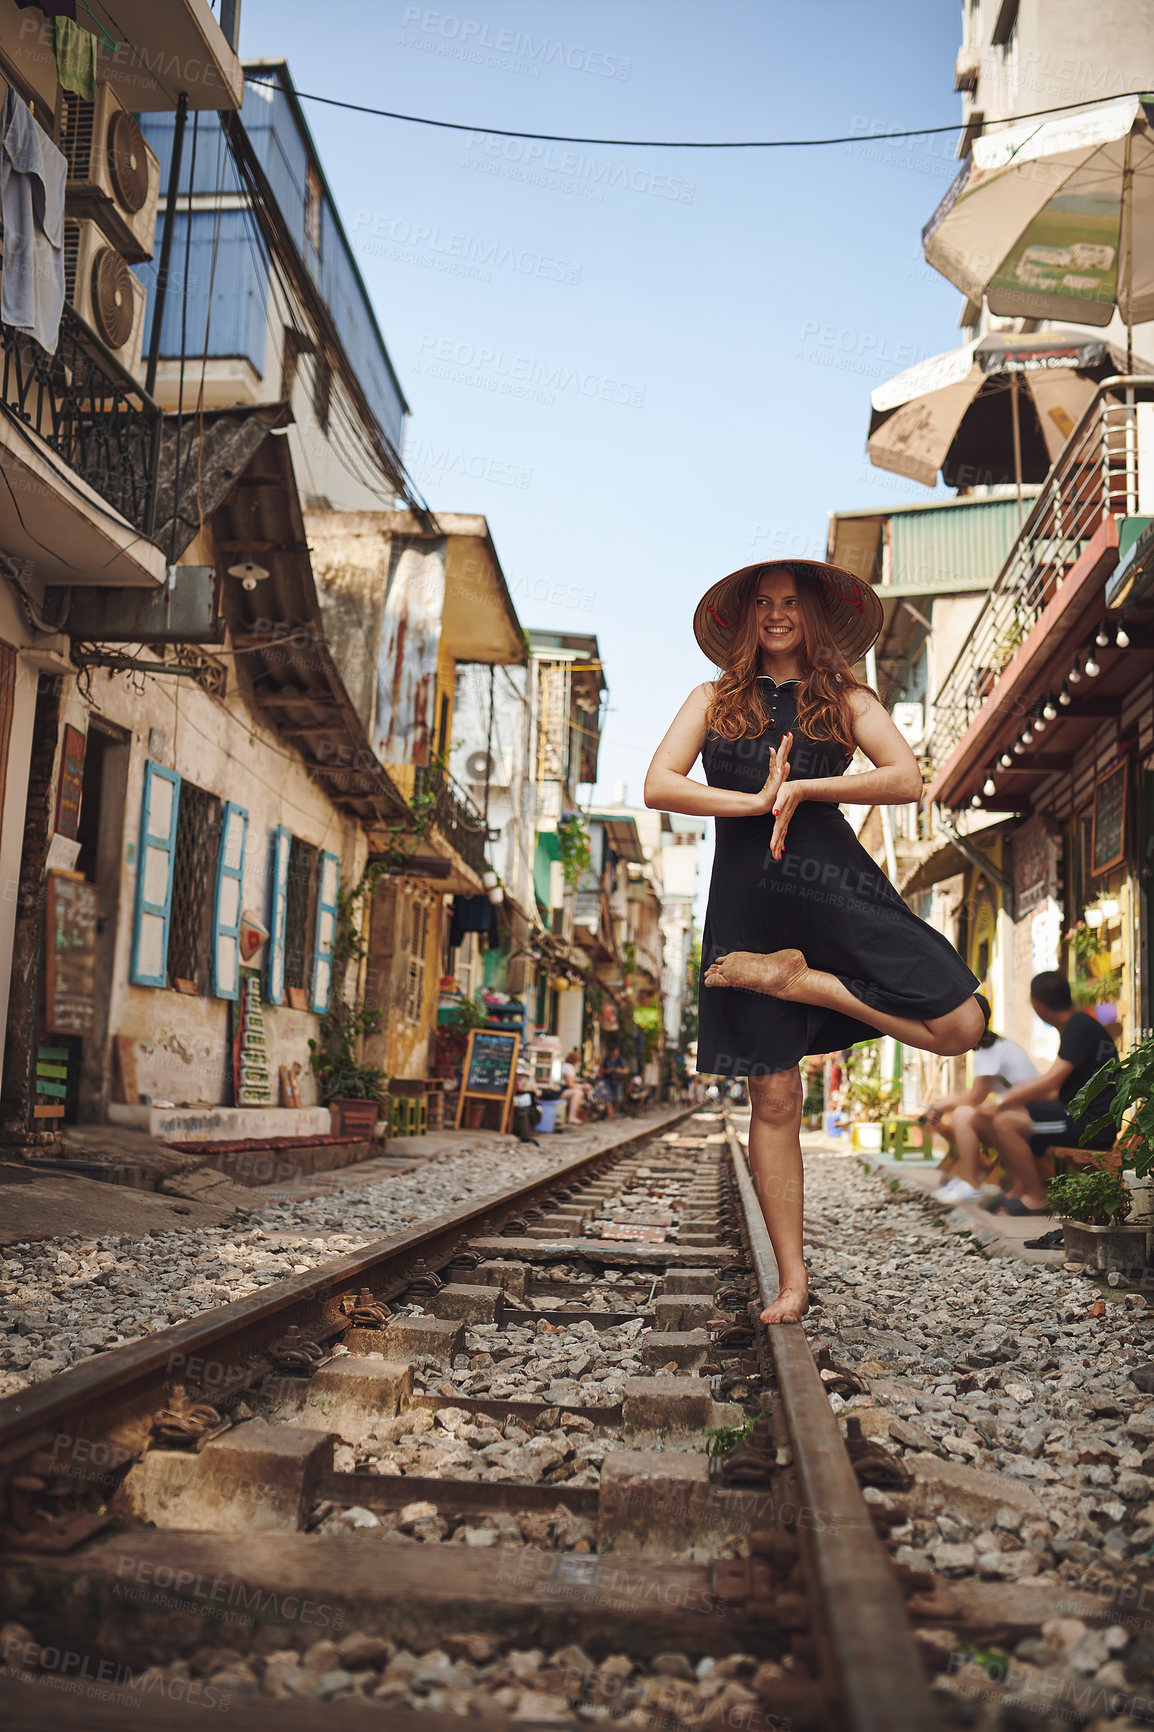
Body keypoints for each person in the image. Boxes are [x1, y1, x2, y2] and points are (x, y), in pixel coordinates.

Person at [644, 560, 986, 1325]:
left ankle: (809, 985)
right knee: (774, 1094)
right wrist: (754, 799)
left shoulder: (846, 698)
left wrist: (805, 789)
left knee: (961, 1023)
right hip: (747, 901)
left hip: (836, 887)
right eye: (762, 603)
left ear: (814, 617)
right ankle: (793, 1281)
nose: (776, 614)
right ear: (743, 619)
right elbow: (658, 784)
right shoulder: (712, 699)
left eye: (790, 603)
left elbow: (905, 777)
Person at [980, 970, 1119, 1215]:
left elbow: (1051, 1083)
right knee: (1009, 1113)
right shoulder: (1078, 1026)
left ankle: (1036, 1198)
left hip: (1088, 1126)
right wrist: (1016, 1097)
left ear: (1037, 1004)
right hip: (1077, 1117)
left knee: (1006, 1122)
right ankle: (1020, 1188)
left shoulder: (1079, 1027)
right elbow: (1057, 1088)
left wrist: (1003, 1099)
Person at [924, 1025, 1038, 1202]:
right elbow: (977, 1096)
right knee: (965, 1114)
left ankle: (972, 1182)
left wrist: (939, 1105)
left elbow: (974, 1097)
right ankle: (971, 1178)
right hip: (1021, 1111)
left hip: (1032, 1114)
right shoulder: (995, 1046)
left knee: (963, 1114)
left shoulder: (990, 1050)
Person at [559, 1050, 589, 1125]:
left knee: (579, 1092)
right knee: (578, 1093)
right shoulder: (568, 1067)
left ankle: (573, 1116)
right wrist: (582, 1086)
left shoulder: (568, 1067)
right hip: (559, 1091)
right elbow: (570, 1085)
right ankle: (571, 1117)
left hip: (563, 1090)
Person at [599, 1045, 628, 1118]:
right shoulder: (606, 1059)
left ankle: (614, 1113)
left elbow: (626, 1070)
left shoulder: (621, 1060)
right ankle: (610, 1114)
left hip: (618, 1081)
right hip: (608, 1080)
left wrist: (619, 1070)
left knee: (618, 1098)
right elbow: (601, 1070)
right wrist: (607, 1071)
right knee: (607, 1097)